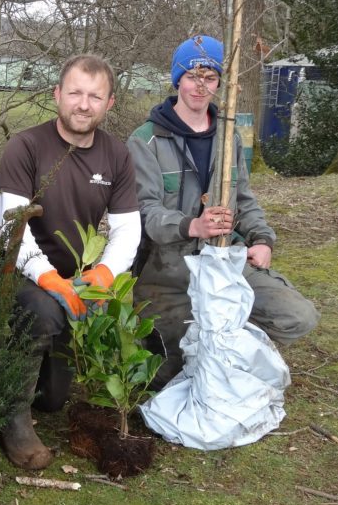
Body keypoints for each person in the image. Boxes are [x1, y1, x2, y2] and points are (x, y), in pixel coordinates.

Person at [126, 35, 319, 386]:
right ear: (177, 80)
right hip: (167, 274)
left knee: (298, 316)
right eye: (192, 76)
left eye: (210, 77)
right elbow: (144, 211)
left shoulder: (228, 137)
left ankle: (228, 331)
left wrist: (261, 239)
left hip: (225, 265)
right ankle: (204, 333)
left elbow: (243, 198)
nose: (201, 87)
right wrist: (191, 226)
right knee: (168, 377)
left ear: (220, 83)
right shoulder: (146, 139)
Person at [0, 54, 142, 470]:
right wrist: (48, 279)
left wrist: (103, 274)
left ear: (109, 102)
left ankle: (34, 385)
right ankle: (14, 421)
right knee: (43, 313)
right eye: (75, 93)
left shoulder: (116, 154)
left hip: (76, 275)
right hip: (19, 270)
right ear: (58, 94)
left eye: (94, 96)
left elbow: (127, 230)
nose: (83, 104)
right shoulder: (26, 146)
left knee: (56, 400)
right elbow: (12, 228)